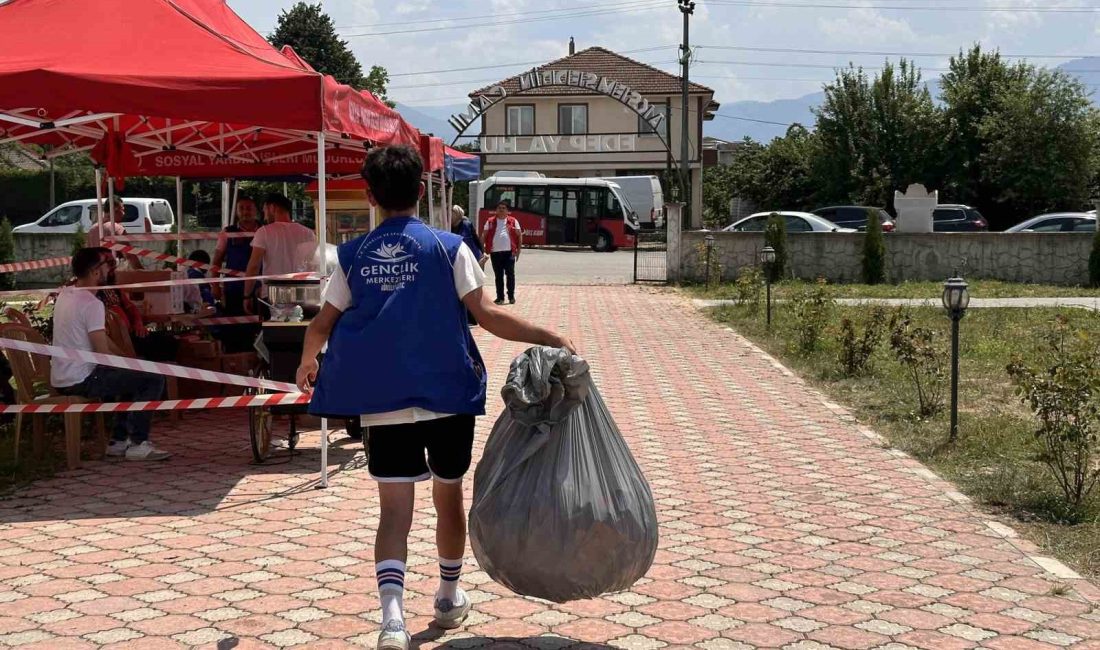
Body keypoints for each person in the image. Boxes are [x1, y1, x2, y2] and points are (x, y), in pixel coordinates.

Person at [295, 145, 574, 650]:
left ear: (369, 195)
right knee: (449, 496)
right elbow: (488, 316)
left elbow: (322, 324)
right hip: (449, 394)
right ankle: (447, 598)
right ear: (421, 192)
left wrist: (307, 360)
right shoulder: (451, 248)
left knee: (394, 511)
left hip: (382, 400)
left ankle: (392, 623)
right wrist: (547, 335)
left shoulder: (353, 255)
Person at [53, 248, 169, 461]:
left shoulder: (65, 294)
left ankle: (118, 441)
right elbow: (102, 352)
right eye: (107, 264)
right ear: (96, 272)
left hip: (63, 376)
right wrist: (131, 364)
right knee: (153, 378)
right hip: (82, 378)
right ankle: (138, 443)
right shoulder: (92, 304)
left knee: (132, 375)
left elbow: (103, 341)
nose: (111, 267)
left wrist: (129, 361)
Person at [243, 193, 317, 315]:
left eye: (265, 210)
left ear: (272, 208)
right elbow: (313, 264)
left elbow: (253, 266)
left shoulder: (264, 232)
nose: (264, 215)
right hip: (302, 294)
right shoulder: (308, 233)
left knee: (273, 331)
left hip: (273, 295)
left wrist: (247, 295)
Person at [212, 195, 262, 316]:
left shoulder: (264, 231)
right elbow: (217, 260)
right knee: (234, 328)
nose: (245, 212)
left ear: (256, 210)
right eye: (241, 208)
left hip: (260, 289)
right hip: (233, 289)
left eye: (249, 208)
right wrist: (215, 285)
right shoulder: (227, 232)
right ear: (236, 211)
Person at [481, 201, 522, 305]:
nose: (501, 209)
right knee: (498, 276)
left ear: (508, 211)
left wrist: (518, 251)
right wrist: (482, 250)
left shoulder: (513, 221)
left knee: (510, 275)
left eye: (504, 208)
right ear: (496, 210)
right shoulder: (490, 221)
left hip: (509, 253)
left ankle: (511, 296)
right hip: (495, 253)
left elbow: (519, 235)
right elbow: (483, 236)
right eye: (499, 208)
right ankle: (500, 297)